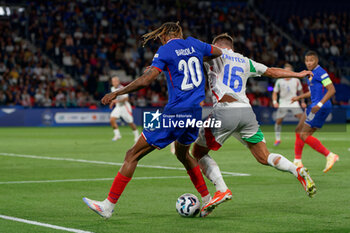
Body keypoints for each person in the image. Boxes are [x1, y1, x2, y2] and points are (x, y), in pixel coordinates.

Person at [83, 22, 223, 219]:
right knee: (183, 155)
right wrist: (197, 56)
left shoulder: (165, 50)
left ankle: (107, 206)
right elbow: (218, 51)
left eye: (160, 37)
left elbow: (146, 80)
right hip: (194, 113)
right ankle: (207, 199)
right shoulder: (195, 44)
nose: (160, 40)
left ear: (165, 35)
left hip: (175, 114)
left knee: (132, 154)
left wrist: (118, 92)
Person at [191, 33, 316, 213]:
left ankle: (221, 189)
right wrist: (298, 73)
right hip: (246, 113)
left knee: (197, 152)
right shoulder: (245, 61)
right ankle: (297, 171)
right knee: (263, 156)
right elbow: (272, 71)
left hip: (225, 110)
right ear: (232, 47)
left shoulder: (213, 54)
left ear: (217, 45)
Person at [291, 51, 339, 172]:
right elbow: (313, 92)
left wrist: (319, 104)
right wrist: (299, 97)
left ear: (317, 60)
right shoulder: (310, 74)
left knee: (304, 135)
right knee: (298, 130)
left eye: (311, 60)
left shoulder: (321, 72)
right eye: (307, 61)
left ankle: (330, 155)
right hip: (314, 106)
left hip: (320, 107)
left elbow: (332, 90)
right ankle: (297, 161)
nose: (309, 63)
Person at [272, 63, 306, 146]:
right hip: (283, 102)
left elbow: (301, 92)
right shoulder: (279, 81)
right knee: (278, 121)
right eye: (286, 70)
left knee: (302, 119)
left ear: (291, 71)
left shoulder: (296, 80)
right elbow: (275, 93)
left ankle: (303, 137)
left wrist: (302, 102)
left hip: (294, 102)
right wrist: (275, 102)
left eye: (289, 71)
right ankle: (277, 139)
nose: (287, 72)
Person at [109, 76, 139, 142]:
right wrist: (112, 102)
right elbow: (114, 98)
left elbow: (126, 99)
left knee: (130, 123)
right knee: (112, 119)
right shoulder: (112, 88)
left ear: (118, 82)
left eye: (115, 81)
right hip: (118, 107)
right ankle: (117, 135)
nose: (114, 83)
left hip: (125, 107)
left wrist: (116, 101)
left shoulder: (122, 88)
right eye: (113, 81)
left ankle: (137, 136)